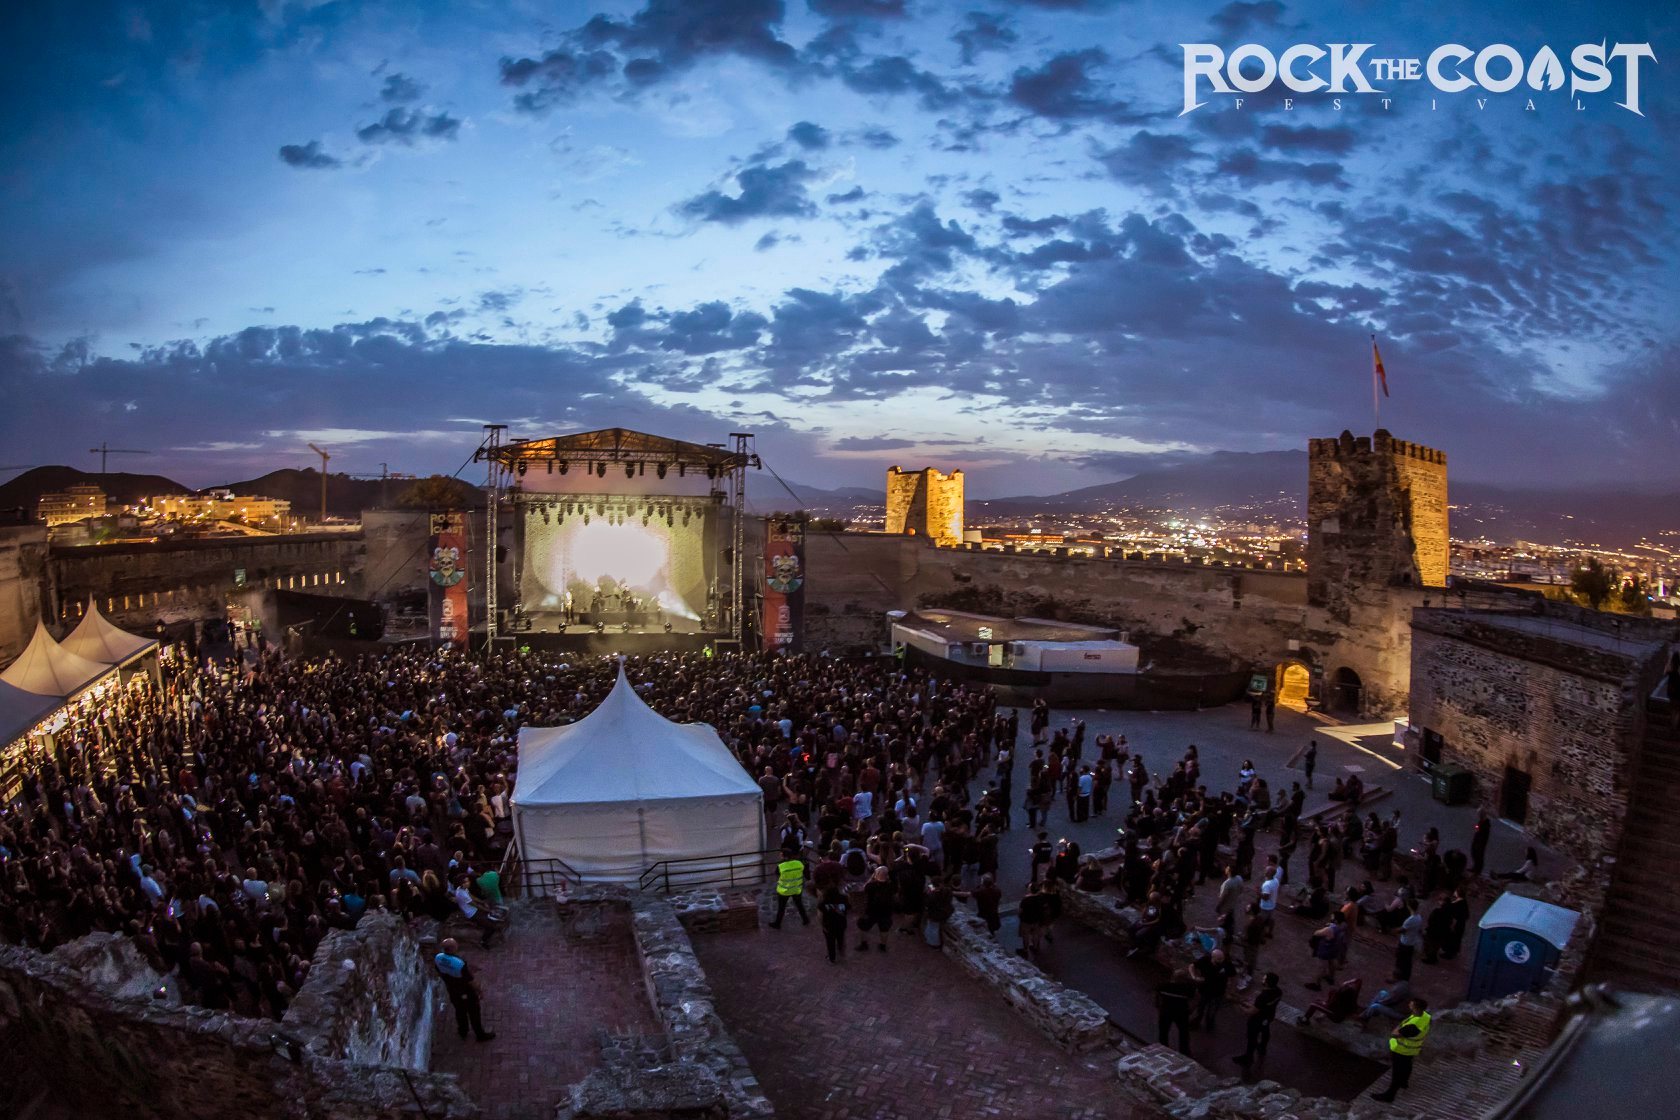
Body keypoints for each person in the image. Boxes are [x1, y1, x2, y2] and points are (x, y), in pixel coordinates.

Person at [434, 938, 495, 1042]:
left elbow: (439, 971)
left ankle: (463, 1031)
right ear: (453, 948)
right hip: (465, 991)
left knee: (459, 1010)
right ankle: (480, 1035)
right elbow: (470, 981)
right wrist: (479, 991)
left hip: (452, 990)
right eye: (456, 945)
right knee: (474, 1012)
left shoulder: (438, 958)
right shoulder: (459, 964)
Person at [1372, 998, 1431, 1103]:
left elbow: (1394, 1033)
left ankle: (1389, 1095)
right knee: (1408, 1065)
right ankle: (1404, 1083)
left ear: (1415, 1008)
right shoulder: (1425, 1016)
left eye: (1411, 1004)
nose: (1409, 1004)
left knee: (1397, 1072)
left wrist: (1397, 1028)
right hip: (1412, 1049)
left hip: (1402, 1050)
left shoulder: (1413, 1026)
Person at [1232, 972, 1281, 1067]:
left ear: (1267, 983)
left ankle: (1248, 1057)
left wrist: (1240, 1006)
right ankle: (1262, 1048)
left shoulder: (1262, 997)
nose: (1262, 980)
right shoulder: (1278, 991)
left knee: (1252, 1037)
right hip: (1269, 1016)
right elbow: (1262, 1006)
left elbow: (1252, 1011)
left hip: (1257, 1020)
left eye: (1264, 979)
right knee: (1265, 1030)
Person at [1156, 969, 1195, 1055]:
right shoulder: (1187, 989)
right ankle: (1184, 1051)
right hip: (1181, 1013)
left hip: (1166, 1012)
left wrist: (1158, 1005)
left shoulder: (1164, 985)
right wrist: (1191, 1010)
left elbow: (1157, 994)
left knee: (1163, 1031)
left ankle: (1163, 1049)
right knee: (1183, 1033)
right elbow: (1193, 999)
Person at [857, 866, 895, 953]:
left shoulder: (871, 886)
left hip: (871, 911)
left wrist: (871, 878)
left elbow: (863, 888)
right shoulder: (891, 885)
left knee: (863, 927)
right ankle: (883, 945)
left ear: (876, 874)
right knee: (884, 929)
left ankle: (864, 944)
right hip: (886, 911)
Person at [770, 850, 810, 929]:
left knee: (781, 908)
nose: (780, 856)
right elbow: (804, 872)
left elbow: (777, 875)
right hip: (796, 889)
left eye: (781, 855)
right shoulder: (799, 863)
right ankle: (805, 920)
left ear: (784, 856)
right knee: (799, 905)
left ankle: (777, 924)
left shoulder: (781, 866)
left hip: (784, 891)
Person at [818, 887, 848, 963]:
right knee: (840, 938)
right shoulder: (844, 898)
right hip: (841, 924)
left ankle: (832, 958)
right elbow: (848, 908)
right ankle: (841, 952)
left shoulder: (823, 902)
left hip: (829, 926)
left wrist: (822, 926)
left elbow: (820, 916)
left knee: (830, 942)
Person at [1470, 810, 1491, 875]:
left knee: (1479, 856)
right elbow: (1477, 828)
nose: (1479, 816)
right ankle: (1475, 867)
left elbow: (1483, 834)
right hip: (1476, 840)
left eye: (1480, 815)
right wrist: (1476, 828)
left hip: (1481, 842)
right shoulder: (1481, 821)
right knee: (1474, 853)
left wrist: (1477, 830)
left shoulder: (1486, 824)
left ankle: (1478, 870)